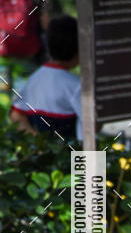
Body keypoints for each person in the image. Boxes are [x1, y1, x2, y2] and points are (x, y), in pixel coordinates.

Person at [9, 14, 81, 142]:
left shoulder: (34, 79)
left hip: (43, 159)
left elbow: (16, 115)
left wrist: (39, 145)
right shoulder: (77, 86)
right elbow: (93, 125)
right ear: (78, 50)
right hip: (75, 154)